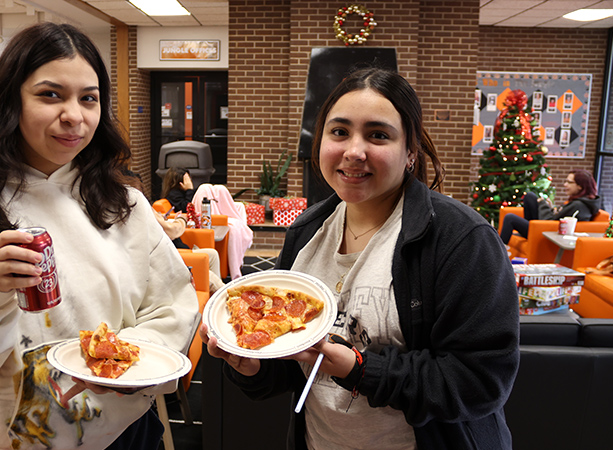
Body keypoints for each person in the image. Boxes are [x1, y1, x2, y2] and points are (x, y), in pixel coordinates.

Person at [0, 23, 199, 450]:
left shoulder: (123, 204)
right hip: (17, 438)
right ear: (10, 101)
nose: (74, 115)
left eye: (89, 98)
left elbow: (175, 308)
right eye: (50, 94)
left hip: (125, 432)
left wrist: (122, 363)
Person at [200, 67, 520, 449]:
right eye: (339, 132)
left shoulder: (461, 239)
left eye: (378, 135)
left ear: (411, 152)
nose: (354, 151)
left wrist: (361, 370)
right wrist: (251, 366)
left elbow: (481, 382)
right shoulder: (307, 230)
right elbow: (291, 369)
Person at [500, 169, 603, 244]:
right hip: (544, 226)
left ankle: (498, 252)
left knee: (510, 218)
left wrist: (543, 204)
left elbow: (549, 221)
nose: (565, 185)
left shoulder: (578, 205)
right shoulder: (582, 202)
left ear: (580, 186)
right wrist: (551, 208)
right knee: (530, 197)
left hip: (545, 231)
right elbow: (559, 216)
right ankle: (528, 231)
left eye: (569, 182)